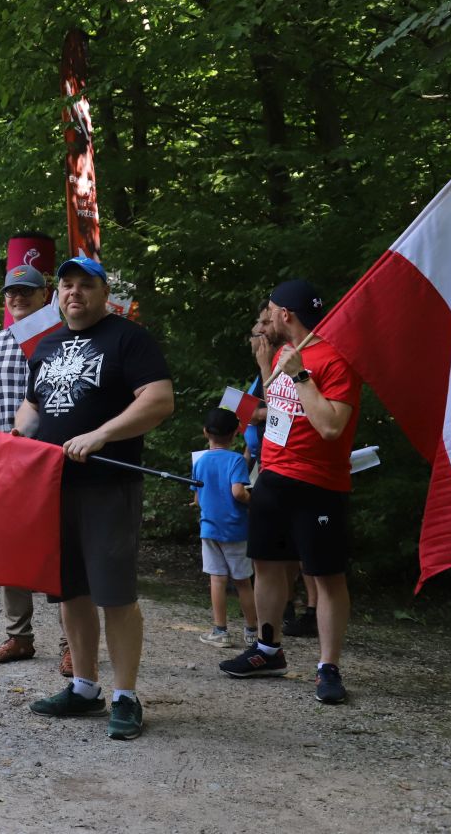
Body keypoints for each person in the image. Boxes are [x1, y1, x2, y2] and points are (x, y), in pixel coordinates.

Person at [17, 257, 174, 741]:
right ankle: (84, 687)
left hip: (109, 486)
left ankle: (126, 696)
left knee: (115, 594)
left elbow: (159, 399)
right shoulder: (46, 345)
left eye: (86, 285)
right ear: (56, 294)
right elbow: (33, 404)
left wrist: (102, 434)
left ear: (105, 293)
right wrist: (15, 438)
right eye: (66, 286)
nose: (74, 293)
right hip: (53, 487)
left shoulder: (129, 338)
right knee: (70, 591)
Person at [220, 279, 361, 705]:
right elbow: (278, 410)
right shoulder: (282, 353)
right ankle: (268, 649)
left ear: (286, 315)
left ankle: (328, 667)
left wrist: (300, 373)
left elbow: (331, 426)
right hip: (273, 478)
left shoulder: (337, 360)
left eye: (270, 309)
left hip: (317, 483)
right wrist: (268, 369)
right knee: (266, 564)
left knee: (325, 574)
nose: (265, 317)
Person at [0, 263, 71, 672]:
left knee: (60, 548)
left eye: (27, 291)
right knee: (11, 546)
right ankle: (19, 636)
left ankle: (70, 642)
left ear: (46, 295)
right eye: (12, 292)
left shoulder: (66, 339)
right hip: (10, 457)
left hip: (59, 456)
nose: (18, 297)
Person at [249, 300, 319, 638]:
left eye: (265, 321)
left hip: (302, 470)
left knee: (307, 554)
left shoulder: (298, 359)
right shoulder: (273, 360)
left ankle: (312, 611)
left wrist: (255, 413)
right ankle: (277, 624)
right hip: (268, 464)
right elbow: (257, 407)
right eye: (257, 326)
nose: (261, 330)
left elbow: (279, 412)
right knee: (272, 555)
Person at [192, 407, 256, 648]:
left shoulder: (200, 461)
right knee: (243, 581)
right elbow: (238, 492)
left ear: (206, 432)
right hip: (235, 529)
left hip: (209, 529)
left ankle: (220, 631)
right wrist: (254, 501)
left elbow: (198, 499)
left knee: (217, 580)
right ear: (235, 434)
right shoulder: (237, 460)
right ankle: (251, 631)